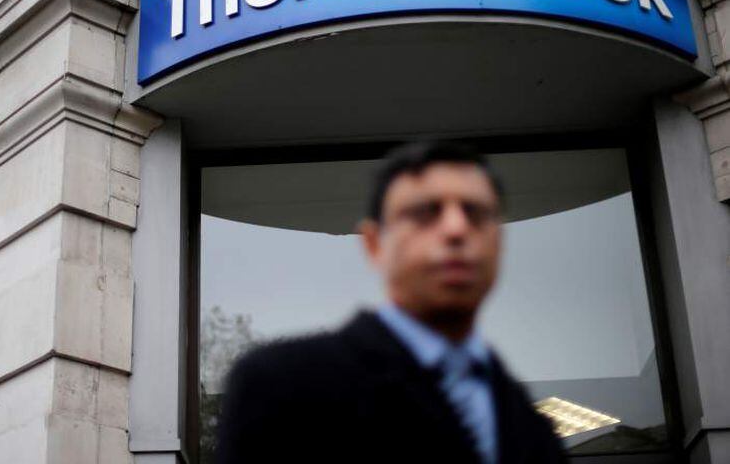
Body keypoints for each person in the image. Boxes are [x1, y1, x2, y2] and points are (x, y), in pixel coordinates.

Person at [214, 141, 567, 463]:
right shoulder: (282, 385)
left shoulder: (531, 427)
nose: (457, 229)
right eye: (425, 212)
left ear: (499, 243)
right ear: (374, 244)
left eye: (476, 213)